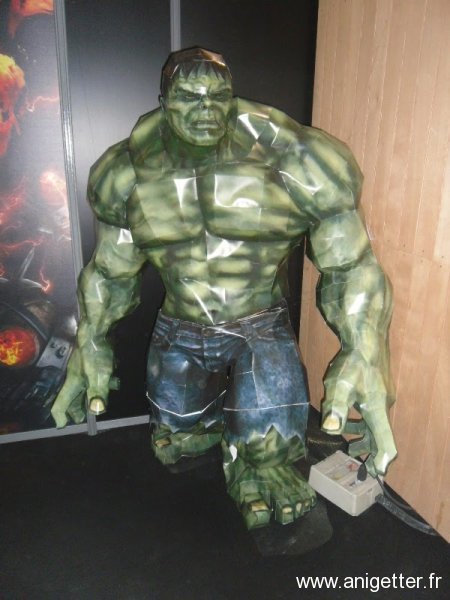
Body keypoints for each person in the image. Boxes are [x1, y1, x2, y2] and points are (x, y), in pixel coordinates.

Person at [51, 48, 397, 529]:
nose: (206, 110)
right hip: (179, 326)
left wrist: (364, 350)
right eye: (188, 98)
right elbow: (110, 272)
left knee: (269, 452)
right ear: (163, 101)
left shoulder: (296, 158)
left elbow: (352, 265)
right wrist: (90, 339)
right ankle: (210, 422)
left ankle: (257, 455)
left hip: (260, 326)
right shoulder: (126, 172)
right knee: (179, 437)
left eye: (218, 97)